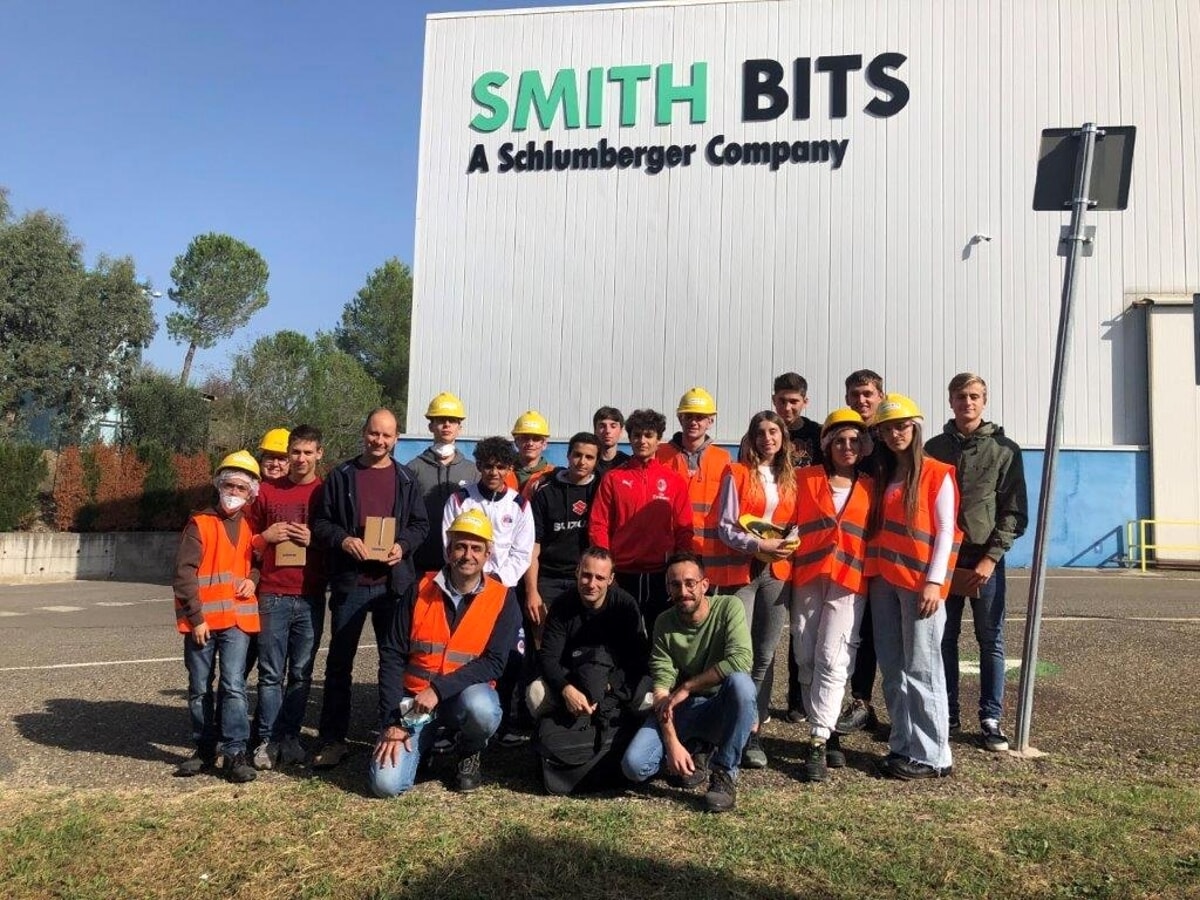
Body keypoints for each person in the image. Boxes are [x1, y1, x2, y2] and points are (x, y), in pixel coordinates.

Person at [309, 408, 429, 769]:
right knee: (339, 664)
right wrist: (344, 540)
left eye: (387, 436)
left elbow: (420, 525)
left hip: (394, 586)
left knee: (392, 663)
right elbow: (321, 522)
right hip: (352, 584)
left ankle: (389, 729)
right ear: (364, 433)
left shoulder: (407, 479)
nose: (380, 441)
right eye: (374, 434)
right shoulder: (342, 476)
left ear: (396, 439)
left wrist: (403, 546)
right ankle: (332, 740)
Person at [370, 509, 520, 796]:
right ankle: (422, 746)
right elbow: (391, 655)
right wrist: (392, 721)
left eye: (477, 548)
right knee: (385, 786)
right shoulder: (418, 590)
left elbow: (495, 662)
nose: (468, 554)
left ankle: (469, 751)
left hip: (461, 700)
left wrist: (438, 690)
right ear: (448, 550)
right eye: (461, 546)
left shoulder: (503, 598)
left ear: (488, 554)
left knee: (484, 710)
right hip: (413, 704)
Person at [925, 373, 1028, 752]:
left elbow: (1013, 511)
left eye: (974, 396)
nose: (967, 403)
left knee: (990, 640)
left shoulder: (1005, 449)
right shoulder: (933, 449)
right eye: (960, 396)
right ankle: (948, 713)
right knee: (944, 638)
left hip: (985, 560)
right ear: (950, 401)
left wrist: (991, 558)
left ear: (984, 401)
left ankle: (990, 717)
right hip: (945, 560)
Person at [865, 394, 961, 780]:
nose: (895, 433)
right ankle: (903, 745)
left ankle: (933, 754)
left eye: (901, 426)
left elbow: (946, 533)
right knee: (893, 669)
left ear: (915, 427)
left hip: (921, 586)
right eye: (888, 428)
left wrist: (935, 583)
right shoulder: (886, 475)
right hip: (885, 582)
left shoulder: (938, 473)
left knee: (922, 668)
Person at [620, 553, 755, 813]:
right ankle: (694, 750)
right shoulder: (663, 622)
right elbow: (661, 688)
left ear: (705, 584)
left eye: (690, 583)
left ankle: (724, 773)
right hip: (685, 709)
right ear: (667, 587)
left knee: (742, 685)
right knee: (634, 766)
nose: (683, 591)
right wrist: (671, 743)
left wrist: (686, 687)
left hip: (720, 704)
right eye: (675, 584)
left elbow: (740, 661)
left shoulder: (729, 607)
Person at [789, 409, 874, 782]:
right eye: (839, 440)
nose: (847, 446)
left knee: (834, 656)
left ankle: (819, 739)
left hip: (849, 581)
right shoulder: (804, 478)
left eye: (854, 440)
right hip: (807, 576)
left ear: (864, 446)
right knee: (805, 655)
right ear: (826, 444)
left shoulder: (871, 485)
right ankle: (828, 723)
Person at [713, 411, 799, 769]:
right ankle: (729, 724)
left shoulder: (792, 479)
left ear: (783, 437)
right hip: (742, 571)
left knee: (765, 653)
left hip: (778, 572)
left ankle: (753, 729)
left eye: (774, 431)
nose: (768, 438)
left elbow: (798, 524)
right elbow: (725, 527)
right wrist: (757, 547)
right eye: (761, 432)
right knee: (739, 653)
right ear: (751, 438)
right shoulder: (735, 473)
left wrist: (791, 540)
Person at [527, 547, 649, 794]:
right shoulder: (562, 605)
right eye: (586, 575)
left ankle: (635, 745)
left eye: (600, 578)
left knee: (651, 699)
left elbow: (638, 660)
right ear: (577, 572)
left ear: (611, 580)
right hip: (573, 680)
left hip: (615, 683)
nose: (591, 583)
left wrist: (610, 688)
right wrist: (566, 689)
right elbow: (548, 658)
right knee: (535, 693)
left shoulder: (625, 605)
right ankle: (553, 748)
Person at [172, 451, 262, 783]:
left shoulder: (254, 525)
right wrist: (196, 619)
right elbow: (183, 574)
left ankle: (236, 751)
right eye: (228, 484)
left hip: (238, 621)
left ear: (252, 491)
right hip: (203, 625)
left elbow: (258, 563)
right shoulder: (200, 523)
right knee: (199, 688)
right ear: (218, 484)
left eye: (241, 486)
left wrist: (253, 579)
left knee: (234, 686)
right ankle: (204, 750)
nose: (234, 491)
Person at [443, 436, 536, 744]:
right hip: (463, 589)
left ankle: (503, 723)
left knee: (509, 655)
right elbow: (449, 543)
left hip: (502, 591)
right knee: (460, 655)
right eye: (487, 466)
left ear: (509, 467)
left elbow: (523, 553)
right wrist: (474, 579)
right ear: (478, 465)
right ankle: (449, 722)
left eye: (500, 466)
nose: (493, 472)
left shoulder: (520, 504)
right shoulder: (460, 499)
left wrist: (497, 581)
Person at [247, 425, 327, 770]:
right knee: (269, 674)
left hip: (310, 596)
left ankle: (290, 737)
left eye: (308, 453)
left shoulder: (325, 493)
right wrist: (266, 536)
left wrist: (317, 540)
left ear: (319, 454)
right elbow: (246, 542)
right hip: (273, 594)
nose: (300, 459)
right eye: (295, 452)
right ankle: (266, 740)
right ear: (287, 453)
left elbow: (338, 540)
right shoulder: (265, 492)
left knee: (301, 674)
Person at [589, 408, 692, 634]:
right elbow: (599, 525)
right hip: (623, 573)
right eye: (636, 435)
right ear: (630, 438)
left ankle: (658, 671)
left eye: (648, 435)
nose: (642, 441)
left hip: (661, 574)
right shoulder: (613, 478)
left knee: (662, 635)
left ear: (659, 439)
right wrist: (605, 567)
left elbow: (684, 529)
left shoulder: (673, 480)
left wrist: (680, 567)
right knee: (621, 635)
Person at [836, 368, 888, 734]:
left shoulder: (893, 438)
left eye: (868, 393)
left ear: (880, 396)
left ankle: (867, 702)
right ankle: (850, 701)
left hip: (887, 551)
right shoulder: (844, 441)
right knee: (846, 631)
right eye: (855, 394)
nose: (862, 400)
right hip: (849, 553)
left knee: (877, 633)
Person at [523, 432, 601, 637]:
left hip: (585, 578)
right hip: (548, 578)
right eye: (577, 454)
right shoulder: (545, 490)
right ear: (567, 456)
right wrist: (532, 591)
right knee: (545, 639)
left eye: (589, 457)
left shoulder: (601, 489)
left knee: (584, 639)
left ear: (596, 461)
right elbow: (533, 545)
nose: (582, 461)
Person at [656, 388, 732, 577]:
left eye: (700, 417)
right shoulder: (659, 454)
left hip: (709, 552)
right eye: (688, 416)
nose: (693, 422)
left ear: (710, 421)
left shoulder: (723, 459)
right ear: (680, 418)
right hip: (669, 550)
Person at [408, 392, 479, 575]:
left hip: (461, 563)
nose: (447, 424)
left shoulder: (473, 471)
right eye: (441, 419)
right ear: (431, 426)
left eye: (452, 420)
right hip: (420, 561)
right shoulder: (412, 468)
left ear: (459, 427)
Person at [772, 372, 823, 467]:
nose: (787, 407)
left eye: (793, 401)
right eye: (782, 401)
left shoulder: (819, 433)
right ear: (774, 400)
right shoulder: (760, 434)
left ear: (805, 402)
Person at [505, 410, 555, 496]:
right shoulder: (501, 470)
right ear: (516, 442)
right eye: (525, 438)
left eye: (536, 439)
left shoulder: (553, 475)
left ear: (544, 444)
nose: (530, 443)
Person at [592, 406, 630, 477]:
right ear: (595, 430)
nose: (607, 431)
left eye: (613, 426)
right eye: (602, 426)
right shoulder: (588, 462)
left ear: (621, 431)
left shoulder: (629, 464)